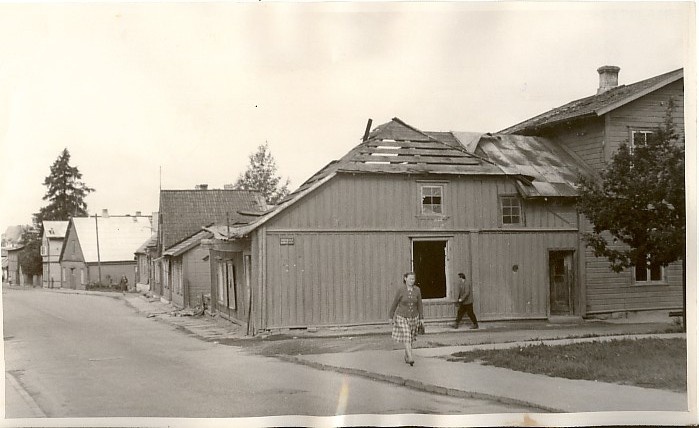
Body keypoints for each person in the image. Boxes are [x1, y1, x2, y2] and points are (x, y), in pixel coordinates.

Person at [389, 271, 424, 366]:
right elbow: (395, 303)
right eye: (410, 279)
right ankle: (411, 357)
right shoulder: (401, 290)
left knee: (410, 338)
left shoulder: (417, 290)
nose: (412, 281)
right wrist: (391, 316)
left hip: (414, 317)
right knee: (406, 334)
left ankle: (407, 356)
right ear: (405, 279)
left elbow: (420, 304)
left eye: (413, 279)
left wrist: (421, 318)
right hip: (402, 316)